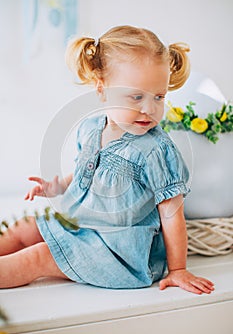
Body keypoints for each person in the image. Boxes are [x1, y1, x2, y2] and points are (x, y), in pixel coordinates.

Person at [0, 25, 214, 294]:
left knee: (39, 255)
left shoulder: (156, 150)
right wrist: (59, 187)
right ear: (102, 90)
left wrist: (178, 269)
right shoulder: (90, 128)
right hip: (83, 226)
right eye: (136, 97)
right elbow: (85, 175)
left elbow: (172, 214)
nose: (149, 108)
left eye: (159, 97)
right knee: (25, 228)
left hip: (117, 252)